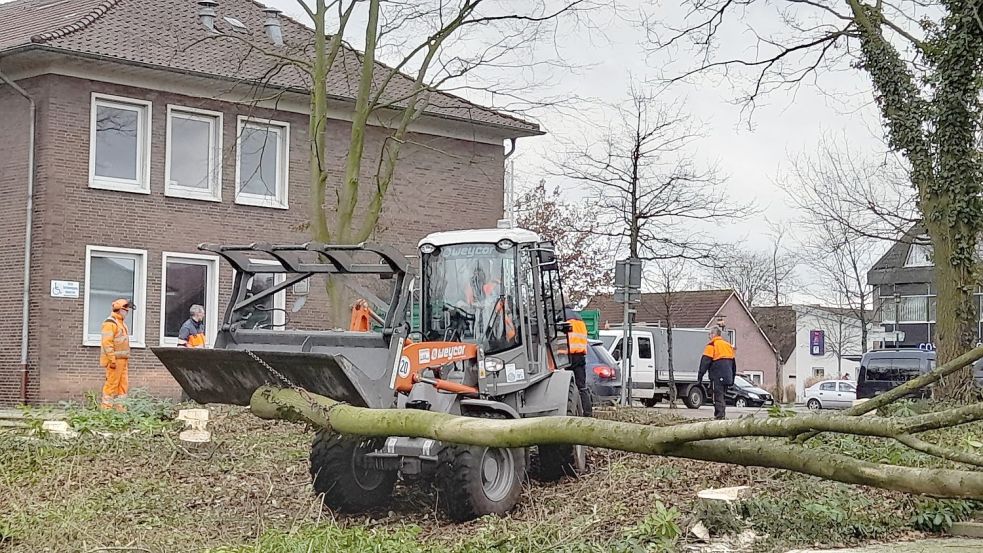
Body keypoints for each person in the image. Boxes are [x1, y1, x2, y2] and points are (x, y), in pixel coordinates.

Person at [100, 299, 134, 411]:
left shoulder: (121, 323)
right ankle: (106, 409)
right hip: (115, 360)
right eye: (125, 310)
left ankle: (120, 409)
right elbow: (107, 343)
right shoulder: (110, 323)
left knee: (122, 385)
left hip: (122, 360)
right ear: (120, 310)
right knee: (111, 385)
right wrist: (112, 359)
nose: (127, 313)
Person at [697, 326, 737, 420]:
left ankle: (719, 417)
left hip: (717, 375)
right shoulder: (728, 346)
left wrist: (700, 377)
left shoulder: (712, 345)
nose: (708, 336)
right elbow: (733, 364)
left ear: (713, 334)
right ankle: (721, 415)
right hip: (728, 375)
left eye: (709, 334)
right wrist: (732, 377)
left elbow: (705, 362)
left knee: (717, 396)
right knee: (722, 396)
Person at [563, 306, 592, 417]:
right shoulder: (579, 318)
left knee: (567, 386)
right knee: (582, 386)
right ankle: (588, 412)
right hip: (580, 355)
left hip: (567, 356)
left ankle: (571, 412)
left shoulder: (562, 316)